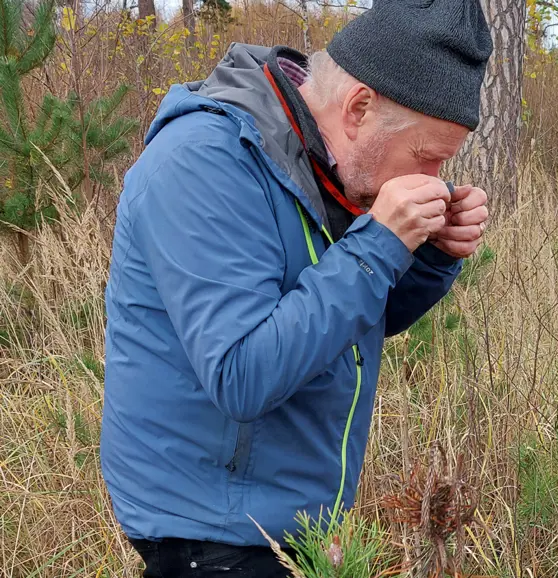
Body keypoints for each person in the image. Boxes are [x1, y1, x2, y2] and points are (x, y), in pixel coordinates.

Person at [99, 1, 493, 576]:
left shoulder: (320, 164)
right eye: (425, 157)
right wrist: (380, 242)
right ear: (358, 108)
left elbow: (346, 328)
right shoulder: (206, 162)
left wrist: (430, 254)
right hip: (211, 538)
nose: (432, 180)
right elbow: (242, 372)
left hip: (290, 529)